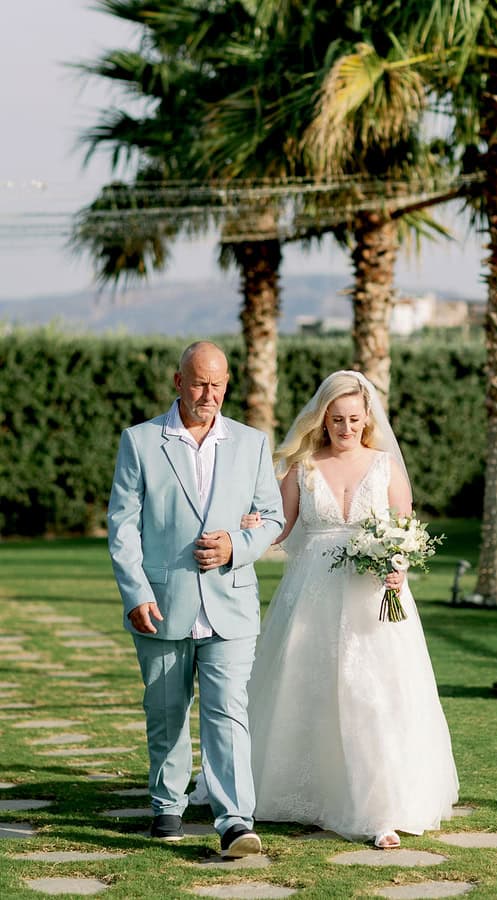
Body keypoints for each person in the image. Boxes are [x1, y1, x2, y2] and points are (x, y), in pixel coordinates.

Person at [244, 370, 459, 848]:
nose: (344, 428)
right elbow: (278, 528)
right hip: (310, 597)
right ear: (323, 419)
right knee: (305, 687)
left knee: (373, 695)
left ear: (366, 420)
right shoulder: (303, 466)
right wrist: (249, 526)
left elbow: (405, 529)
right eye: (336, 419)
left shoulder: (384, 466)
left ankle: (380, 809)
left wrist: (399, 566)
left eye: (353, 419)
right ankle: (304, 793)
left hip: (373, 599)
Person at [107, 341, 284, 858]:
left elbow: (270, 519)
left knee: (228, 712)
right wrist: (135, 592)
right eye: (200, 383)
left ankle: (234, 821)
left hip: (231, 602)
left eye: (219, 384)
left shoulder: (252, 443)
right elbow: (122, 527)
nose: (210, 394)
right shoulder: (140, 442)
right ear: (177, 383)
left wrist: (236, 546)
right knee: (165, 709)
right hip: (161, 602)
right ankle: (167, 804)